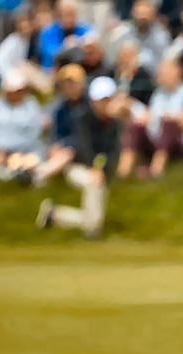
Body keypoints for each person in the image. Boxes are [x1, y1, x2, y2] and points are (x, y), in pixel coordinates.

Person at [36, 76, 121, 238]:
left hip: (100, 171)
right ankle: (92, 230)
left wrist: (101, 168)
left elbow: (113, 152)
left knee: (95, 185)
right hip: (77, 167)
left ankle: (56, 215)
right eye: (101, 100)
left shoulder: (114, 124)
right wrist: (95, 169)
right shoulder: (82, 119)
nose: (104, 104)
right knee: (93, 184)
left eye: (107, 100)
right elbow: (84, 148)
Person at [118, 57, 183, 180]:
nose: (163, 76)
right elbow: (149, 114)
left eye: (167, 72)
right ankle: (123, 172)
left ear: (179, 72)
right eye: (161, 73)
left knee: (168, 124)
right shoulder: (157, 93)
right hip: (155, 138)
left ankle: (156, 171)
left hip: (179, 142)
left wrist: (172, 118)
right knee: (136, 126)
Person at [0, 68, 44, 182]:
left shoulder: (31, 105)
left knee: (29, 160)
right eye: (15, 90)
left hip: (27, 150)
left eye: (21, 90)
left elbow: (34, 134)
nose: (18, 93)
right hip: (3, 152)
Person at [108, 0, 171, 74]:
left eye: (147, 12)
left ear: (154, 14)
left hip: (151, 77)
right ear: (133, 12)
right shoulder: (120, 33)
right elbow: (110, 62)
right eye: (140, 12)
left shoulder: (161, 35)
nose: (143, 15)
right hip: (124, 75)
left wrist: (140, 60)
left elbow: (164, 63)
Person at [39, 0, 91, 69]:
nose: (68, 19)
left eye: (71, 14)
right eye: (64, 14)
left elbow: (92, 40)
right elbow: (50, 55)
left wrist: (78, 42)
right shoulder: (48, 32)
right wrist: (65, 46)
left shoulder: (84, 28)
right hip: (52, 71)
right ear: (58, 14)